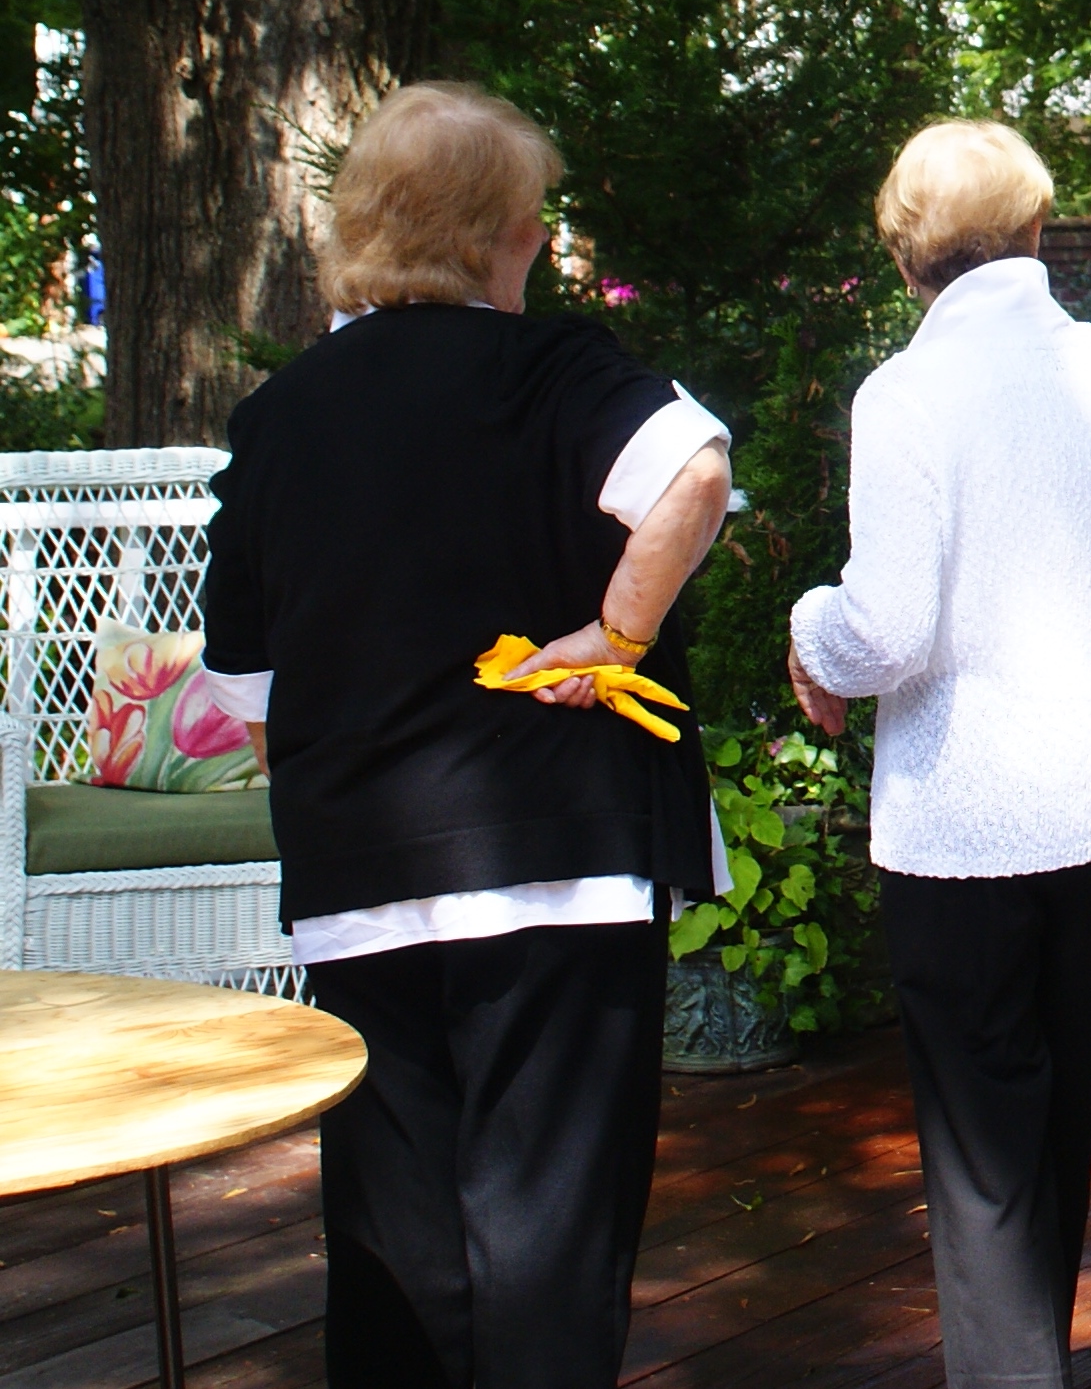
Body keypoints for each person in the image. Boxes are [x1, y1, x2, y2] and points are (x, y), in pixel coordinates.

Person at [199, 83, 736, 1389]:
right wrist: (613, 635)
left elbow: (246, 689)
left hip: (362, 880)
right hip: (557, 859)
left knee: (391, 1240)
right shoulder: (550, 368)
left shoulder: (281, 417)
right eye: (533, 223)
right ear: (495, 231)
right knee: (549, 1233)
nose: (539, 245)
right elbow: (694, 474)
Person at [784, 119, 1091, 1389]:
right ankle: (1028, 1358)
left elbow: (881, 626)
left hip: (963, 810)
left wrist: (806, 630)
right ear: (1041, 226)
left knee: (984, 1143)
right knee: (1051, 1118)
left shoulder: (908, 394)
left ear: (902, 251)